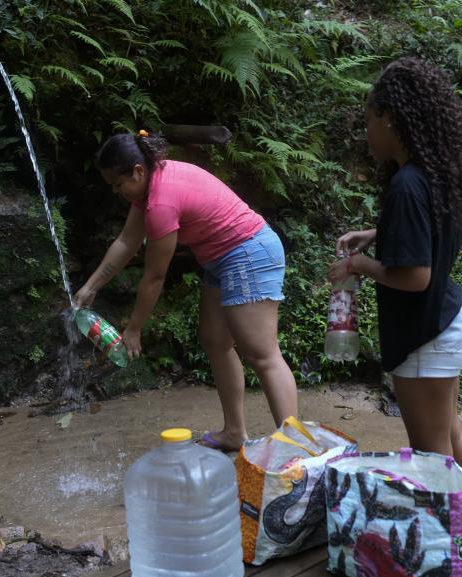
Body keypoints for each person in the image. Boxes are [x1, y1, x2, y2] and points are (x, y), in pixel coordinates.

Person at [74, 131, 298, 451]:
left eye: (117, 183)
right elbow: (126, 242)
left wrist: (134, 329)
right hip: (222, 257)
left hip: (249, 253)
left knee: (262, 353)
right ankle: (235, 432)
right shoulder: (149, 187)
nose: (115, 191)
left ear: (138, 171)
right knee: (215, 340)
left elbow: (155, 275)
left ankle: (295, 447)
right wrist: (90, 287)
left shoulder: (162, 202)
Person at [328, 57, 462, 472]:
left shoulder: (407, 185)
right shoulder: (432, 174)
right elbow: (425, 233)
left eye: (369, 121)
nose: (367, 134)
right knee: (449, 435)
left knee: (433, 454)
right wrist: (376, 234)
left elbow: (416, 278)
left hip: (426, 335)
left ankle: (455, 534)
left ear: (391, 119)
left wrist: (360, 265)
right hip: (445, 320)